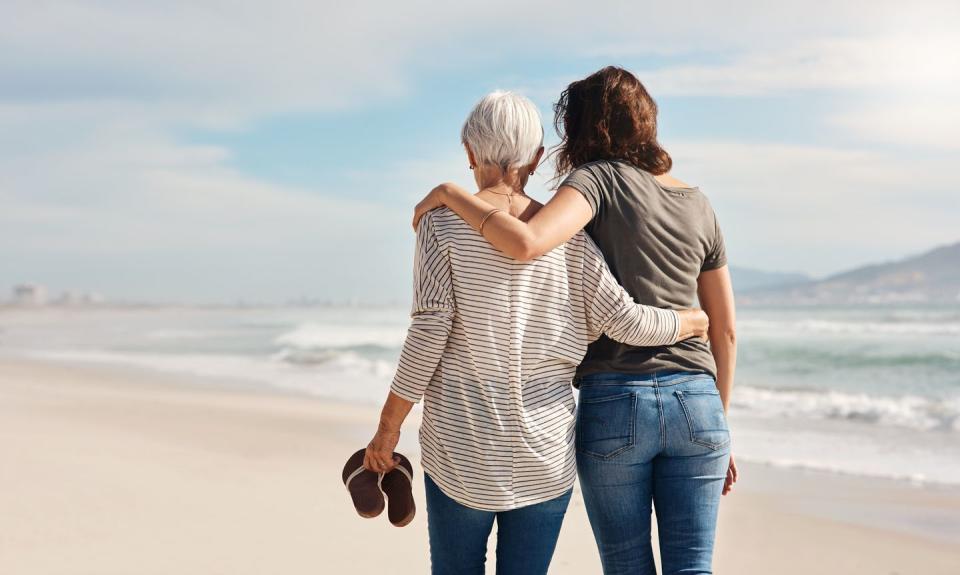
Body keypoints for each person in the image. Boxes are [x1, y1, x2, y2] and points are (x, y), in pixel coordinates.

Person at [365, 90, 709, 575]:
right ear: (537, 157)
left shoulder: (440, 224)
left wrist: (387, 429)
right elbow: (627, 321)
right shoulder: (567, 235)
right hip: (544, 454)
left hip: (461, 449)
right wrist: (691, 321)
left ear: (469, 153)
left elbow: (429, 335)